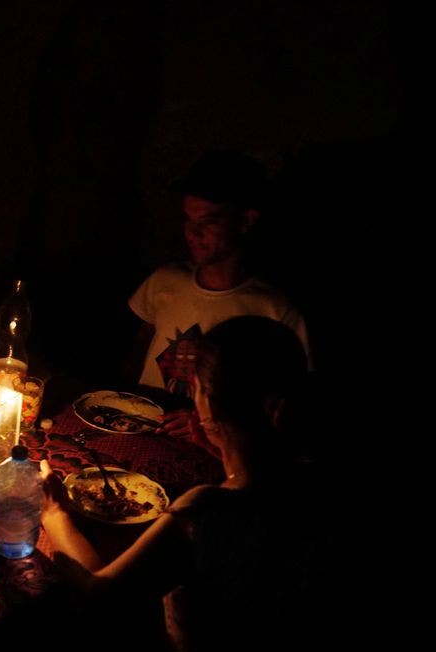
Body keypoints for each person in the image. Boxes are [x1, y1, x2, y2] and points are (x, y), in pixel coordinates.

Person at [41, 316, 325, 652]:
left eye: (199, 389)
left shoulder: (208, 512)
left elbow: (100, 595)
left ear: (206, 401)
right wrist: (225, 448)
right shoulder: (312, 482)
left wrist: (55, 516)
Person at [127, 150, 312, 441]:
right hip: (145, 427)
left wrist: (207, 420)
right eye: (188, 219)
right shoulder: (165, 282)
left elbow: (289, 401)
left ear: (246, 221)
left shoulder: (274, 310)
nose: (193, 233)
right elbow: (140, 346)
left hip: (214, 450)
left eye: (209, 222)